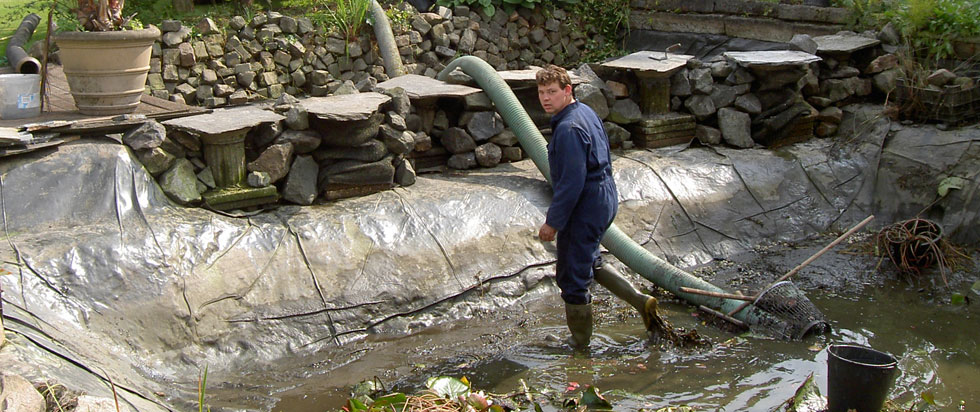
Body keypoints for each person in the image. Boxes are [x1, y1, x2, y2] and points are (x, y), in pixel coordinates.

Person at [535, 65, 660, 349]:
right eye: (542, 93)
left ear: (568, 91)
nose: (546, 98)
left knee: (572, 276)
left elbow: (571, 182)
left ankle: (579, 344)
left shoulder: (568, 128)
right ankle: (642, 302)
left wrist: (553, 222)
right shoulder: (585, 112)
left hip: (585, 204)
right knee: (591, 260)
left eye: (552, 92)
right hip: (605, 195)